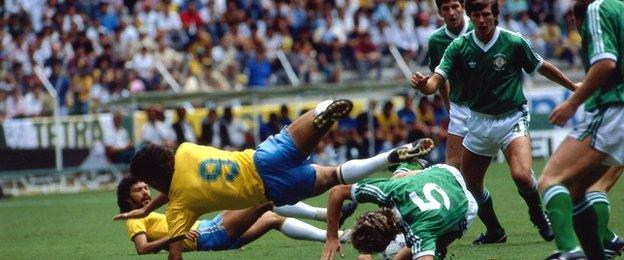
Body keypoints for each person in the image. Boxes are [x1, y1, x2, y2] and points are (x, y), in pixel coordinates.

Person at [113, 99, 435, 259]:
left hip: (273, 189)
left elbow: (174, 243)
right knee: (311, 122)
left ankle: (385, 159)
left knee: (333, 176)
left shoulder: (181, 206)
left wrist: (148, 213)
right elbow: (174, 183)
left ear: (153, 180)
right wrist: (146, 209)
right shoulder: (184, 151)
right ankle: (323, 114)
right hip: (260, 158)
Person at [411, 0, 579, 244]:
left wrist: (574, 87)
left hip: (512, 119)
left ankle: (539, 216)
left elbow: (542, 67)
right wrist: (423, 85)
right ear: (471, 16)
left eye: (486, 15)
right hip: (477, 121)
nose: (481, 20)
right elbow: (436, 82)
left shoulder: (513, 41)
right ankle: (495, 231)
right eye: (477, 15)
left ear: (495, 16)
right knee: (469, 184)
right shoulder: (457, 46)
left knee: (521, 175)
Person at [538, 1, 624, 258]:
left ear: (575, 23)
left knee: (551, 180)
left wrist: (572, 103)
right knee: (577, 191)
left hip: (616, 108)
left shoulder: (597, 9)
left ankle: (570, 252)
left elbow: (606, 63)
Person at [116, 176, 352, 255]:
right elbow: (142, 249)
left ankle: (338, 235)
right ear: (127, 199)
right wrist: (175, 237)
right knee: (265, 199)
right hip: (208, 234)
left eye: (146, 187)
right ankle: (327, 215)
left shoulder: (145, 214)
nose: (145, 192)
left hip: (212, 233)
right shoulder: (134, 218)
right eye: (138, 190)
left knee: (272, 218)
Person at [322, 162, 478, 260]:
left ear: (389, 240)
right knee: (397, 180)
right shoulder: (388, 191)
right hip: (445, 173)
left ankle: (438, 250)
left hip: (466, 204)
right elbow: (337, 192)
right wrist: (331, 237)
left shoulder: (419, 232)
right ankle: (410, 163)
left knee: (432, 244)